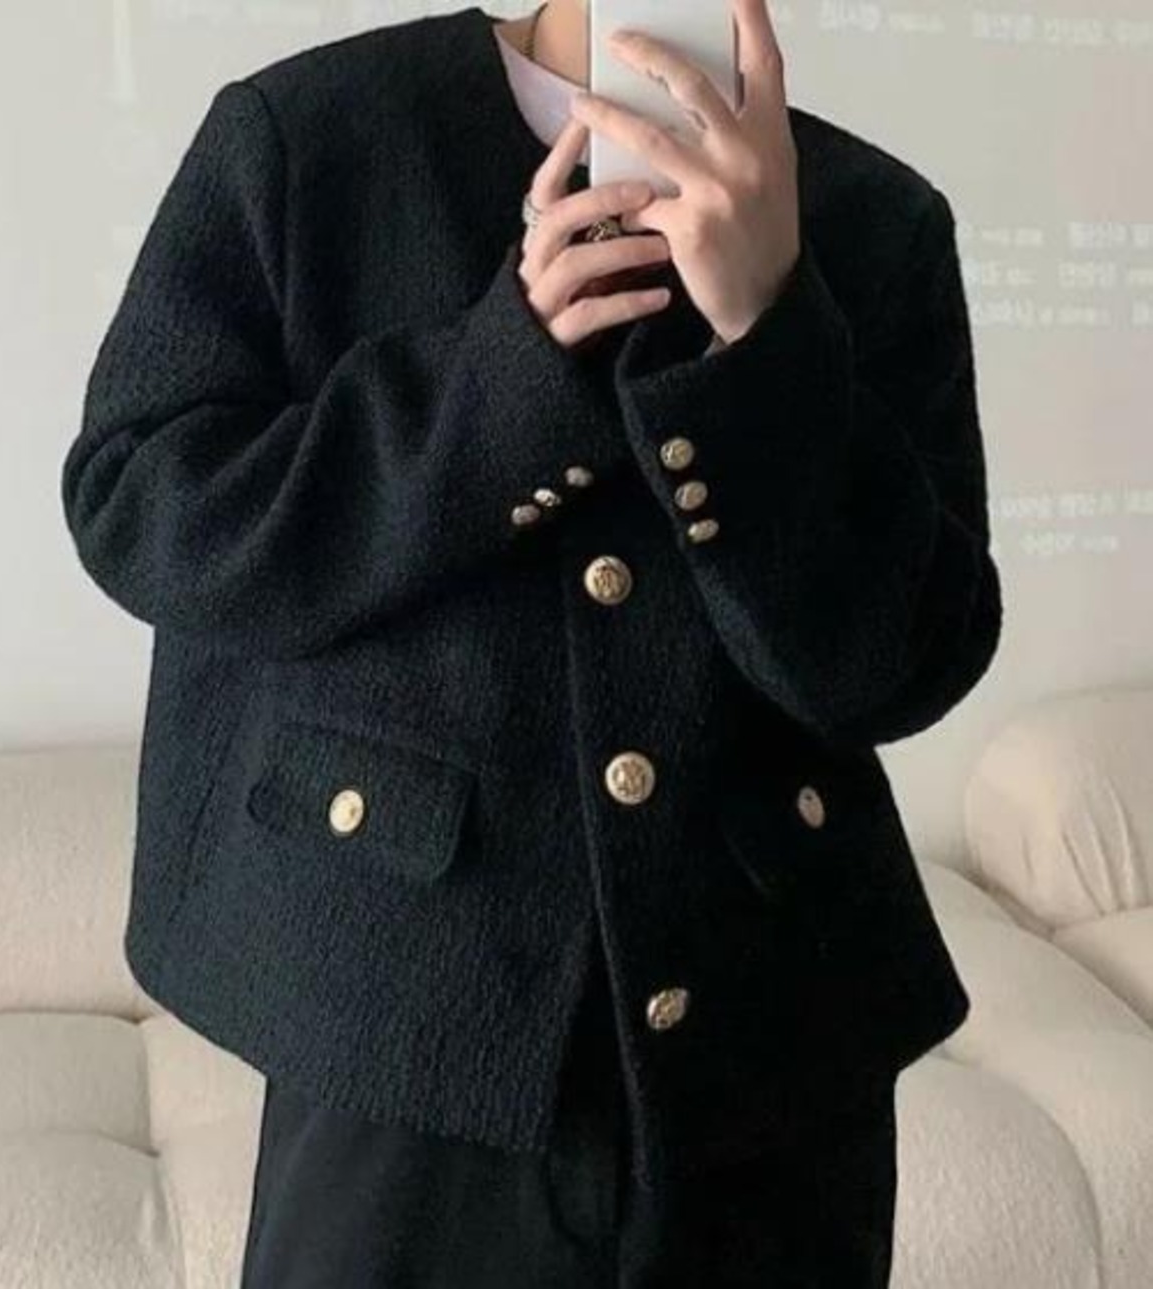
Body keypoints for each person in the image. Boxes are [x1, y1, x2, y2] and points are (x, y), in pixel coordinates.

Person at [60, 1, 1002, 1285]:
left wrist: (769, 334)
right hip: (402, 1047)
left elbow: (906, 662)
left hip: (776, 1057)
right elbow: (143, 506)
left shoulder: (875, 219)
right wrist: (491, 381)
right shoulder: (309, 137)